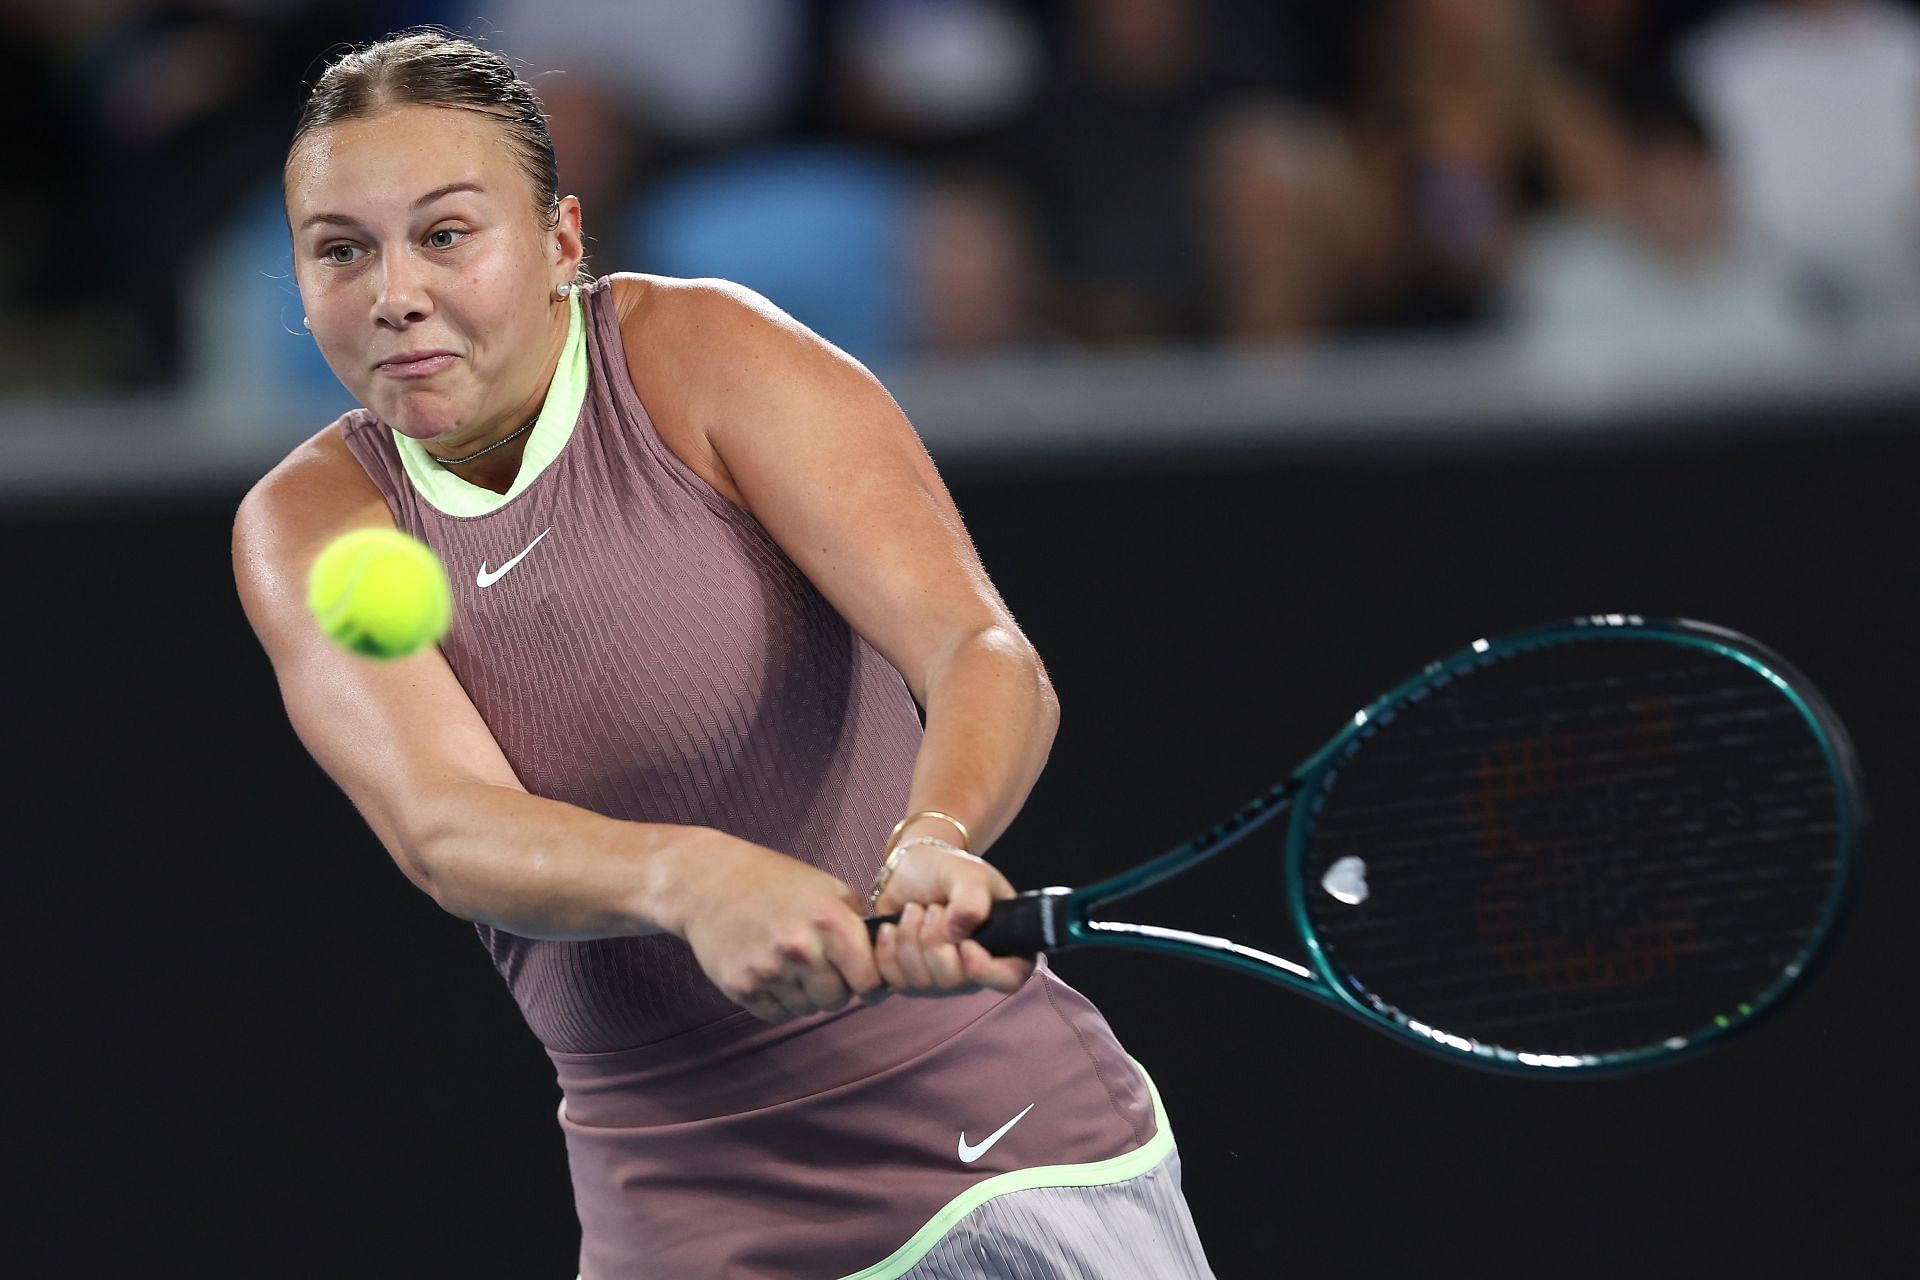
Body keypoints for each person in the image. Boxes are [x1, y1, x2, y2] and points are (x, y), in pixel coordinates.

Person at [230, 29, 1213, 1280]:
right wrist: (695, 880)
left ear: (561, 242)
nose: (394, 292)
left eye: (446, 233)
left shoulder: (701, 356)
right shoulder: (304, 520)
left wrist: (936, 839)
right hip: (676, 1205)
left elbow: (975, 645)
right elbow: (448, 828)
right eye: (340, 250)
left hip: (988, 1154)